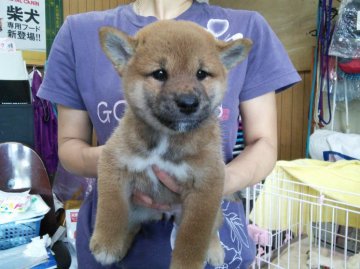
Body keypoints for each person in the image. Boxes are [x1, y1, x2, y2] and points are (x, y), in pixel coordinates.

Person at [38, 0, 301, 268]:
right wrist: (123, 166)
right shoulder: (78, 31)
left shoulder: (249, 26)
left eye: (201, 74)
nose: (187, 95)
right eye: (160, 74)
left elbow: (264, 143)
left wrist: (214, 185)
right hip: (116, 237)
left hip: (212, 235)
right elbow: (70, 145)